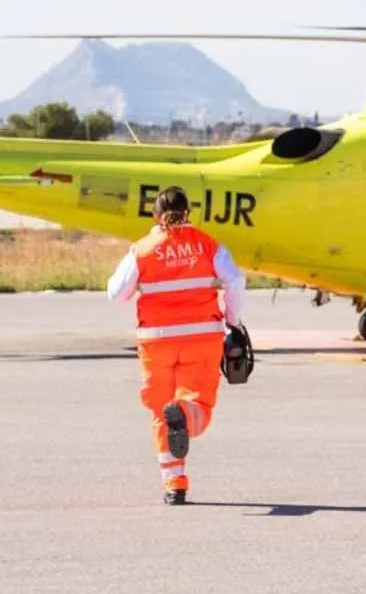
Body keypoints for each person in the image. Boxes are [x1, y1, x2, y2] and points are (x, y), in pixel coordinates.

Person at [107, 186, 246, 505]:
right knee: (197, 406)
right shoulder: (207, 245)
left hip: (156, 342)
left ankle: (174, 483)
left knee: (160, 412)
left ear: (155, 215)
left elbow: (116, 293)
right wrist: (233, 321)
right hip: (201, 337)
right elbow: (235, 281)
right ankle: (183, 413)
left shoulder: (141, 251)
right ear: (188, 213)